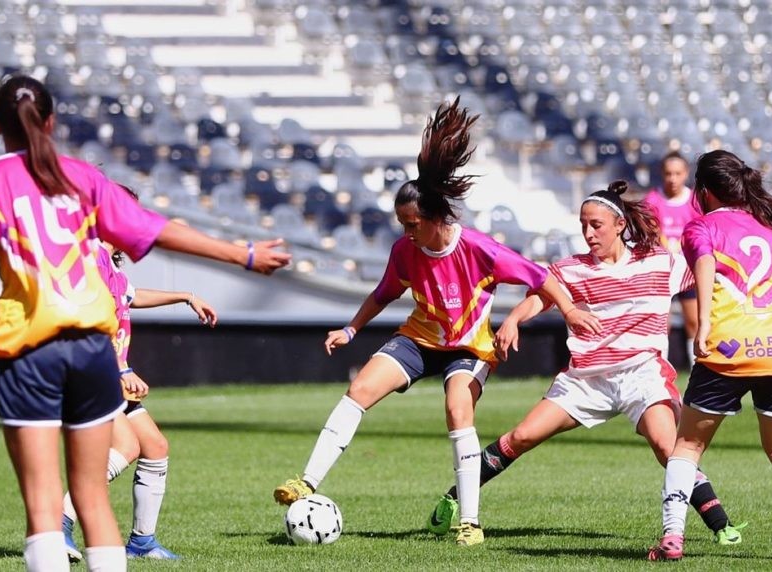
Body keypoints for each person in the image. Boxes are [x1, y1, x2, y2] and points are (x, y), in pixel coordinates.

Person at [0, 75, 290, 572]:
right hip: (91, 348)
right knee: (92, 498)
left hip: (30, 351)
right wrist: (242, 253)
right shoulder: (83, 178)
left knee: (44, 505)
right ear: (51, 122)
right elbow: (154, 229)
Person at [271, 98, 590, 547]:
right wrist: (351, 329)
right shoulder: (406, 251)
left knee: (458, 411)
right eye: (402, 224)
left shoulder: (480, 249)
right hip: (419, 340)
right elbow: (384, 293)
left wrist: (569, 312)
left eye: (412, 223)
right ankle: (307, 481)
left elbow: (541, 278)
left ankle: (470, 522)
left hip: (469, 348)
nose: (407, 232)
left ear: (436, 218)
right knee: (360, 389)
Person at [426, 180, 745, 547]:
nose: (588, 233)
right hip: (586, 380)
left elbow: (712, 268)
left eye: (596, 225)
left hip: (642, 375)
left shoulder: (661, 262)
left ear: (620, 225)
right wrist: (513, 319)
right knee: (521, 437)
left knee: (667, 446)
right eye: (583, 225)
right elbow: (539, 297)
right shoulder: (572, 269)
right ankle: (456, 495)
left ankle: (721, 525)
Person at [650, 150, 772, 561]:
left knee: (687, 446)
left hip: (729, 348)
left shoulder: (701, 226)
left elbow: (705, 263)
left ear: (704, 190)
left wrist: (705, 323)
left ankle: (672, 537)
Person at [62, 239, 218, 562]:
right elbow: (92, 322)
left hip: (109, 373)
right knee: (126, 446)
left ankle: (142, 542)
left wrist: (186, 297)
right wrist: (122, 369)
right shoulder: (92, 257)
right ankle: (58, 521)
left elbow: (132, 296)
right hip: (92, 371)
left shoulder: (111, 265)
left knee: (155, 447)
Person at [644, 152, 703, 367]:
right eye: (669, 173)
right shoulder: (652, 200)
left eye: (677, 173)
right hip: (661, 271)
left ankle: (697, 370)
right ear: (662, 174)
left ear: (686, 174)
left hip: (689, 271)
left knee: (694, 321)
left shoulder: (695, 201)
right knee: (661, 324)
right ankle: (660, 372)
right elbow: (649, 231)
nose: (673, 178)